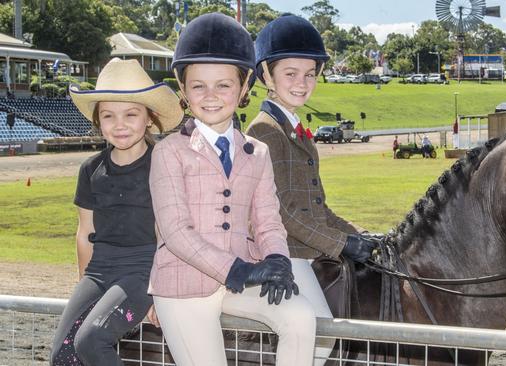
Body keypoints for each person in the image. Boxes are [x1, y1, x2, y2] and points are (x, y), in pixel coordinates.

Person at [148, 13, 314, 366]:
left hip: (241, 277)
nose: (211, 96)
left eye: (223, 85)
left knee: (301, 317)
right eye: (198, 86)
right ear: (183, 89)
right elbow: (176, 232)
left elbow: (269, 221)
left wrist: (278, 260)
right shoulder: (168, 152)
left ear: (243, 88)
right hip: (184, 286)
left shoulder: (258, 152)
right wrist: (239, 270)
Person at [245, 14, 377, 366]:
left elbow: (319, 209)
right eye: (291, 74)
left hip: (307, 248)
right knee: (321, 331)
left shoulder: (295, 129)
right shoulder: (266, 132)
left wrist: (363, 235)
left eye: (310, 74)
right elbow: (285, 212)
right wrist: (342, 245)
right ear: (266, 76)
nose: (302, 83)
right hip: (284, 251)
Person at [50, 58, 183, 366]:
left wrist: (158, 289)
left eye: (130, 114)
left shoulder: (162, 164)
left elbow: (168, 232)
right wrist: (85, 288)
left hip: (142, 270)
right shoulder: (90, 169)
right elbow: (85, 233)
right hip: (99, 271)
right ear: (98, 121)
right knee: (62, 356)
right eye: (109, 116)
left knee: (92, 341)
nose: (119, 124)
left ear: (149, 118)